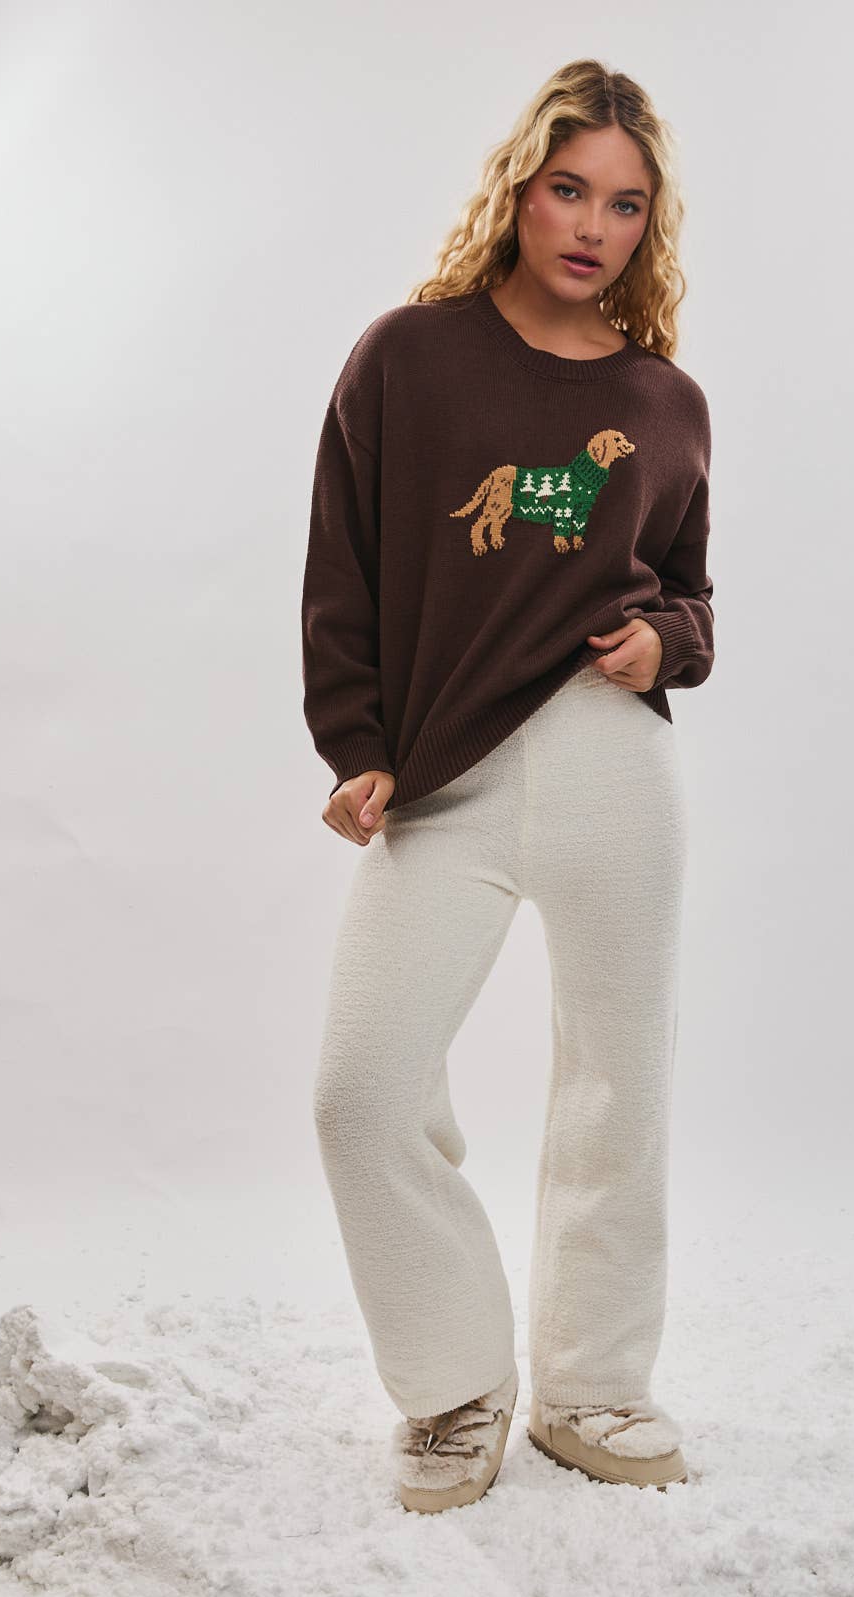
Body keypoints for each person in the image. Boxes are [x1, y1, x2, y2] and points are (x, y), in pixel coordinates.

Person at [300, 57, 715, 1514]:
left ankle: (593, 1383)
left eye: (625, 204)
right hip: (449, 773)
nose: (593, 226)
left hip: (614, 764)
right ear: (519, 190)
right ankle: (455, 1382)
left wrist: (664, 642)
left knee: (618, 1086)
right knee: (362, 1091)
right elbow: (343, 562)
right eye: (568, 190)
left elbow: (694, 596)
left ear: (648, 224)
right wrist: (356, 742)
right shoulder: (407, 359)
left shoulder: (667, 401)